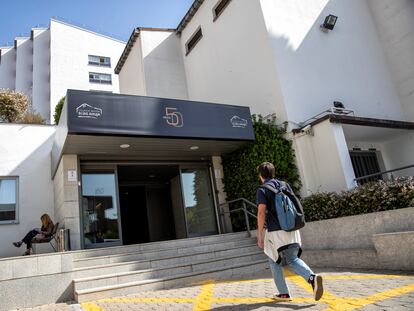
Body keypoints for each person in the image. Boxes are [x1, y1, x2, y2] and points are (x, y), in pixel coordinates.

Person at [256, 162, 323, 301]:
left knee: (274, 260)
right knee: (293, 259)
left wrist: (260, 235)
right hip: (292, 228)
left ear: (261, 176)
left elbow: (261, 212)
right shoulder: (284, 185)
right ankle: (312, 278)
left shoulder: (262, 190)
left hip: (275, 232)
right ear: (273, 173)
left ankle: (284, 293)